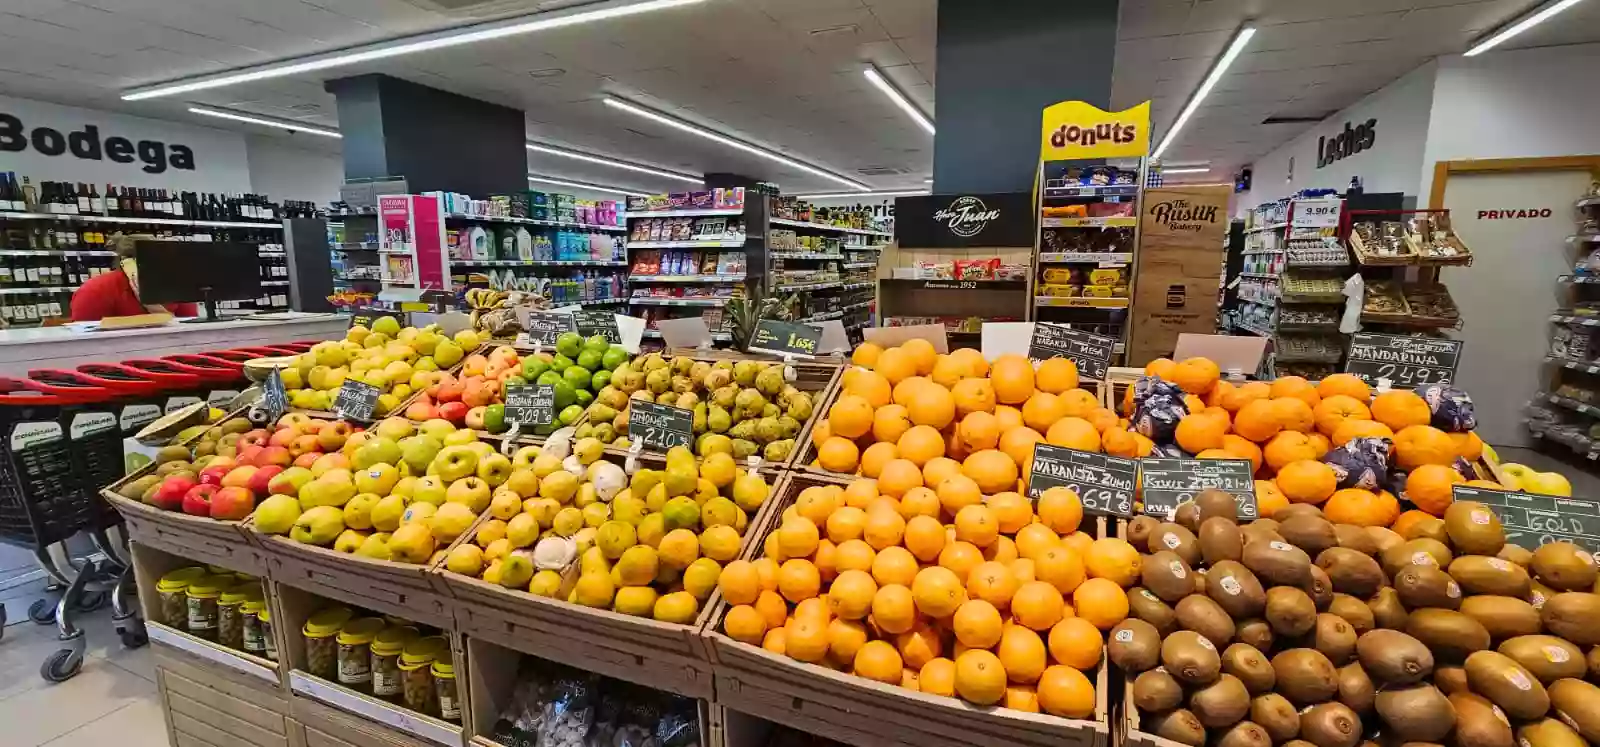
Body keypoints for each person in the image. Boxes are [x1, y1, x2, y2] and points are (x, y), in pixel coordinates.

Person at [71, 233, 198, 321]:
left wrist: (157, 311)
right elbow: (85, 342)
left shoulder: (179, 287)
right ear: (126, 262)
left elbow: (191, 334)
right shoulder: (96, 291)